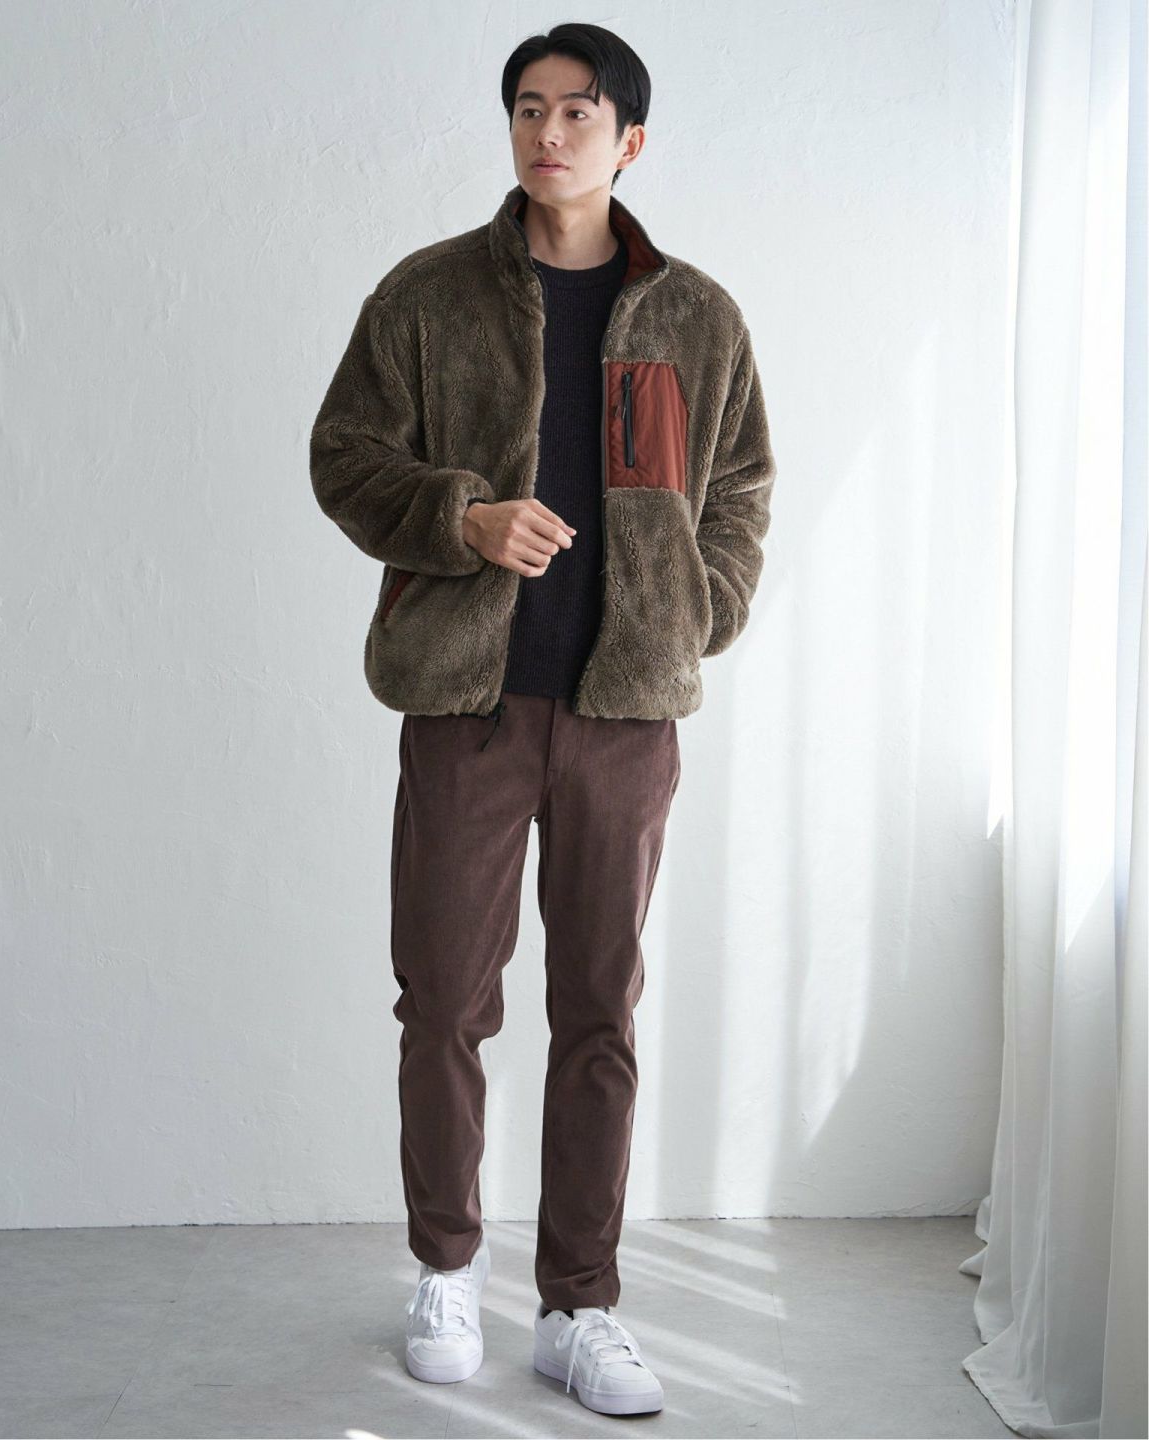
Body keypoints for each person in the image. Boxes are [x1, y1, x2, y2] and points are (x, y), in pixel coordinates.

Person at [309, 20, 776, 1418]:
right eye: (528, 106)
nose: (549, 131)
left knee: (599, 1012)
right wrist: (461, 518)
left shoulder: (696, 318)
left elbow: (740, 492)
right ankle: (446, 1270)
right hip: (468, 705)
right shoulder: (429, 297)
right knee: (444, 1002)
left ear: (631, 142)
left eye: (579, 111)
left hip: (625, 716)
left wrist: (693, 611)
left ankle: (580, 1303)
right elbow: (344, 457)